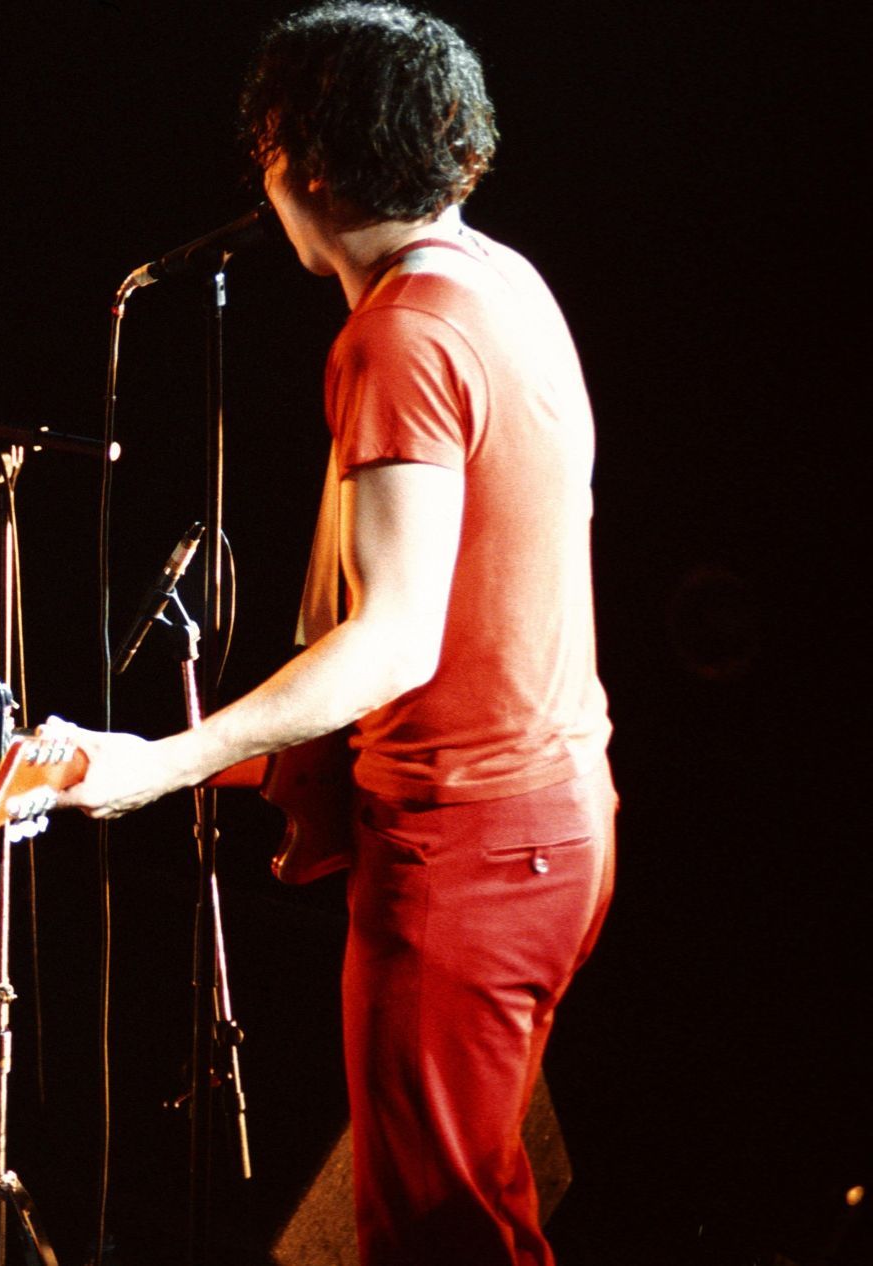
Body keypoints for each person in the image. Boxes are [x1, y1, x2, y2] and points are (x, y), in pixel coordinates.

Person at [48, 7, 615, 1264]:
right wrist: (291, 764)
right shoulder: (495, 283)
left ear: (291, 157)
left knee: (439, 1236)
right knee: (477, 1201)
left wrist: (161, 760)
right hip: (551, 822)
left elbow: (395, 639)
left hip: (470, 849)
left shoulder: (401, 335)